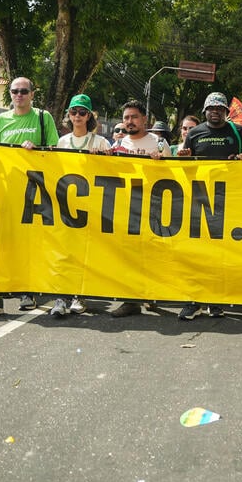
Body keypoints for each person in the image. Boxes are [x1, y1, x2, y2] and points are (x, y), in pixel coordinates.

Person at [0, 77, 60, 315]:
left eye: (24, 91)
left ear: (33, 94)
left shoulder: (43, 118)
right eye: (15, 91)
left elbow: (54, 151)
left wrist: (37, 149)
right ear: (10, 94)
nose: (19, 95)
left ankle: (28, 291)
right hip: (2, 194)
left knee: (29, 245)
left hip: (32, 194)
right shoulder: (0, 120)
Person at [175, 92, 242, 320]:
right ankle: (193, 301)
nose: (215, 111)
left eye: (220, 108)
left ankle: (215, 301)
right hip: (199, 202)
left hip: (230, 202)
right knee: (197, 254)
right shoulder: (195, 133)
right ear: (205, 112)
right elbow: (186, 167)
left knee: (221, 255)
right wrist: (184, 158)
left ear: (226, 112)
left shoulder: (239, 133)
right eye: (211, 108)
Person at [49, 94, 109, 318]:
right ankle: (61, 295)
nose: (77, 116)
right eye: (73, 112)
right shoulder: (63, 142)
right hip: (67, 204)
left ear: (90, 116)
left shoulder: (100, 142)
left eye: (82, 112)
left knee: (85, 253)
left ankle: (79, 295)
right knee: (65, 251)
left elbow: (111, 172)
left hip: (91, 206)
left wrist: (103, 158)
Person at [107, 100, 164, 319]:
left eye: (134, 117)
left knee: (150, 254)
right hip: (126, 208)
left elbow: (173, 172)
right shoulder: (118, 146)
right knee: (127, 255)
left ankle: (150, 294)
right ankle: (130, 300)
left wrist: (161, 162)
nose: (129, 122)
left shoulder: (158, 143)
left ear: (144, 119)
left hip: (153, 207)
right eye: (126, 118)